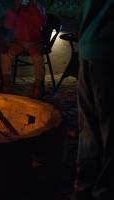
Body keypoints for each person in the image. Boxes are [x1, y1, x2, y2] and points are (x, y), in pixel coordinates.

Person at [71, 1, 114, 200]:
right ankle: (104, 192)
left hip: (90, 46)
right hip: (108, 47)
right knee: (109, 131)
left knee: (89, 129)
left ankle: (83, 187)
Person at [3, 0, 46, 97]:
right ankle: (7, 83)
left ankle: (38, 85)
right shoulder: (17, 7)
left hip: (34, 42)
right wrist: (15, 9)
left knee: (38, 58)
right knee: (5, 55)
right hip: (18, 42)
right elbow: (8, 25)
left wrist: (33, 6)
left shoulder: (38, 7)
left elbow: (41, 23)